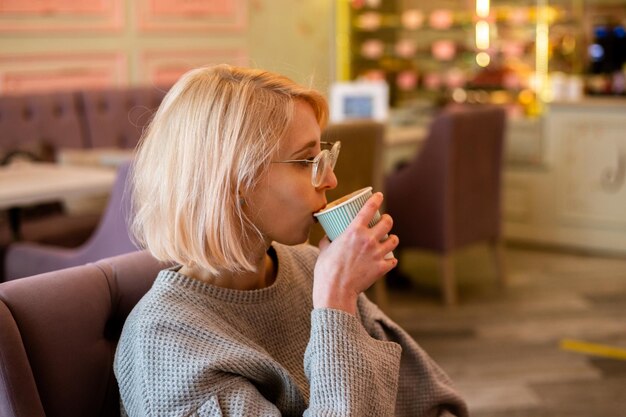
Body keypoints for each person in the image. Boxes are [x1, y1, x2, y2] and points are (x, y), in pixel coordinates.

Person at [114, 64, 468, 417]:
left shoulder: (309, 265)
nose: (330, 179)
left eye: (324, 156)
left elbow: (428, 398)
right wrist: (336, 301)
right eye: (306, 161)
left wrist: (335, 295)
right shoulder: (165, 343)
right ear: (235, 180)